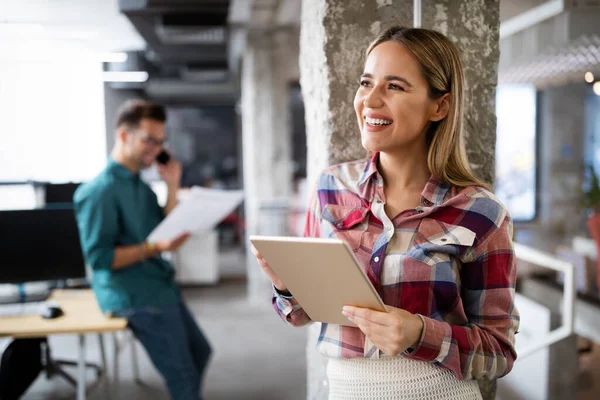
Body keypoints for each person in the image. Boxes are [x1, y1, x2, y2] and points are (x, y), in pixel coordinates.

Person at [253, 26, 519, 399]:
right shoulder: (331, 188)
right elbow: (300, 314)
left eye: (394, 86)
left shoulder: (481, 213)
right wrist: (285, 286)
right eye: (366, 83)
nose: (370, 100)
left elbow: (499, 352)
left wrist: (418, 334)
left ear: (439, 106)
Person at [74, 100, 212, 400]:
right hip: (133, 292)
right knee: (184, 375)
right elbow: (99, 259)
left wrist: (172, 185)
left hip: (158, 284)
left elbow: (162, 228)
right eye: (150, 140)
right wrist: (154, 247)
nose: (157, 148)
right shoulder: (99, 191)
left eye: (161, 142)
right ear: (124, 136)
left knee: (201, 353)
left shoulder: (142, 187)